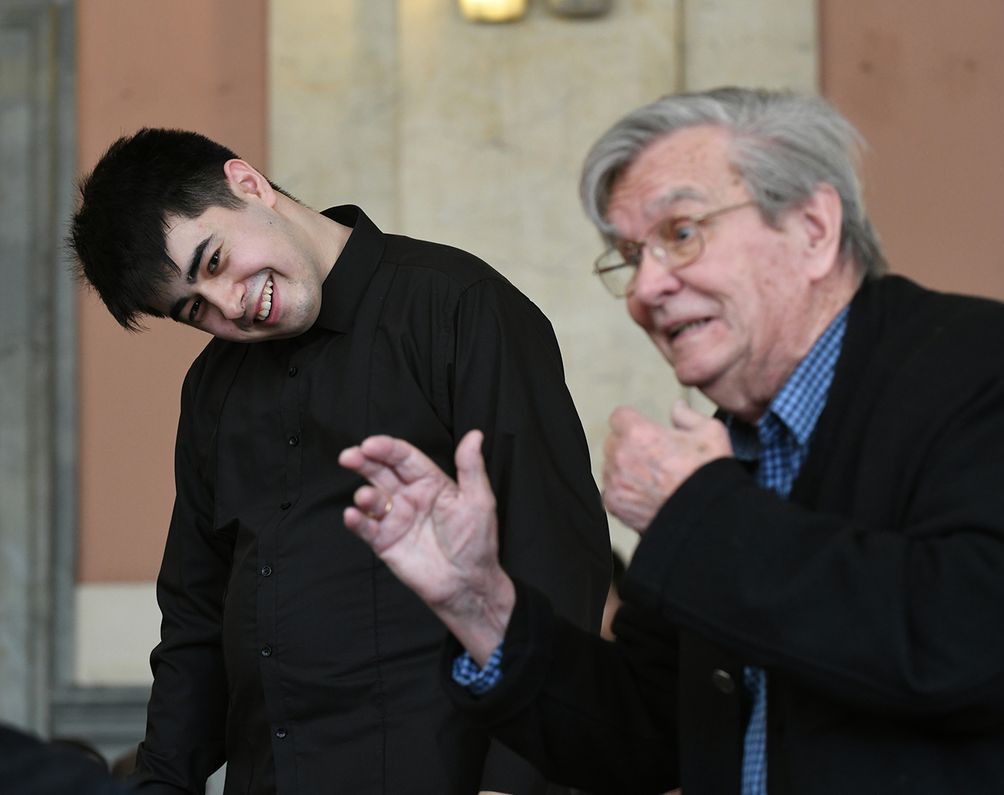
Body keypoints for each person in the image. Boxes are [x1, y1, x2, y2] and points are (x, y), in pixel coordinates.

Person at [338, 87, 1004, 794]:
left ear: (814, 229)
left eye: (680, 234)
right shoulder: (732, 451)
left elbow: (971, 649)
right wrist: (478, 602)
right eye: (628, 256)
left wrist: (698, 515)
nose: (645, 289)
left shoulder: (987, 367)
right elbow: (642, 734)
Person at [69, 128, 610, 794]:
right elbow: (195, 618)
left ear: (248, 184)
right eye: (195, 309)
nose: (231, 306)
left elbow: (554, 555)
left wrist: (512, 783)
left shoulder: (457, 305)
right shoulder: (212, 387)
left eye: (214, 261)